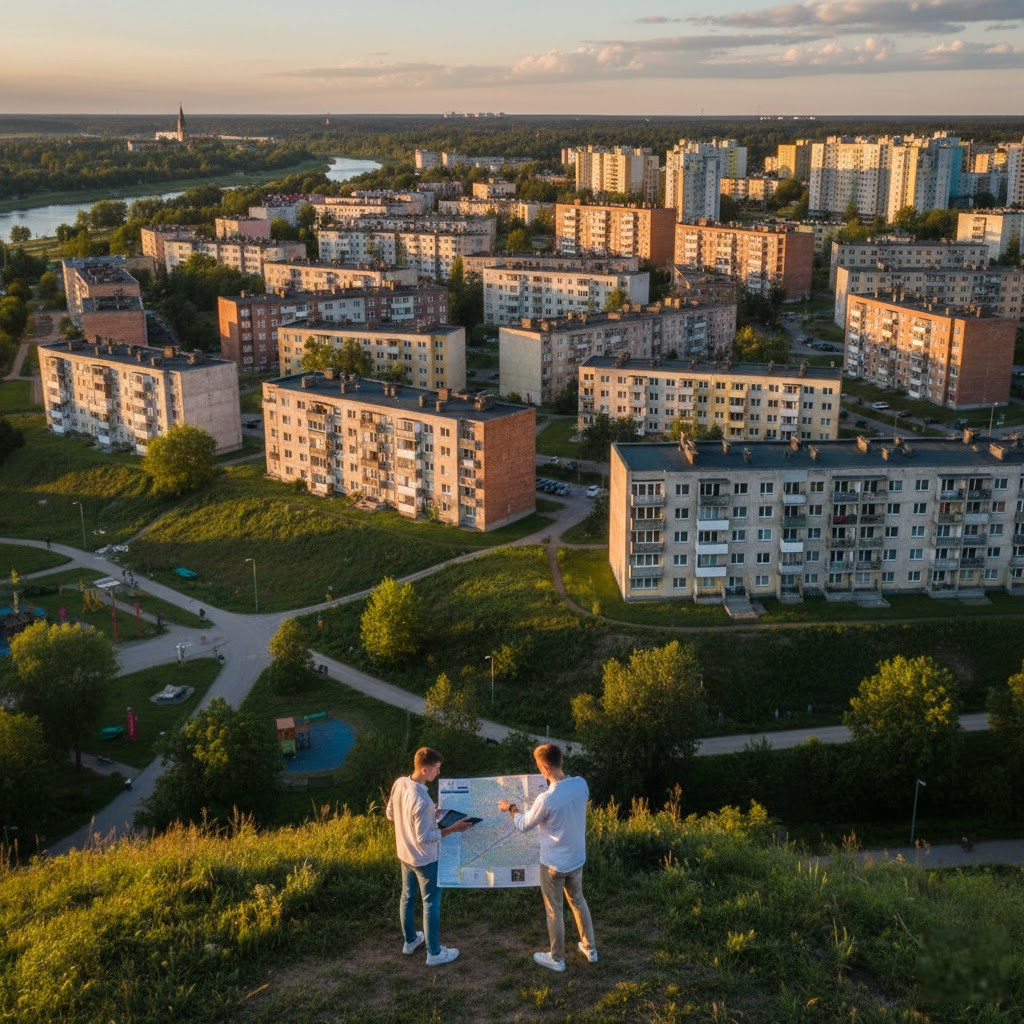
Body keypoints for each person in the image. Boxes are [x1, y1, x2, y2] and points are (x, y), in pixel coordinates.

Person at [498, 743, 597, 972]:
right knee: (578, 901)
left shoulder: (546, 799)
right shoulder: (581, 784)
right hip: (577, 858)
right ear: (560, 761)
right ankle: (590, 948)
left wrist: (511, 807)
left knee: (554, 910)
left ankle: (557, 958)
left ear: (544, 767)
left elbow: (523, 825)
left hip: (554, 864)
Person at [386, 747, 473, 966]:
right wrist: (452, 828)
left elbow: (390, 814)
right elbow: (425, 837)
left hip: (404, 853)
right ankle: (434, 953)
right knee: (431, 903)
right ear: (425, 770)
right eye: (436, 769)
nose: (438, 773)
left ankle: (410, 941)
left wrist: (424, 818)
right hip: (425, 859)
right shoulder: (423, 799)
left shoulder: (400, 783)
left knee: (407, 897)